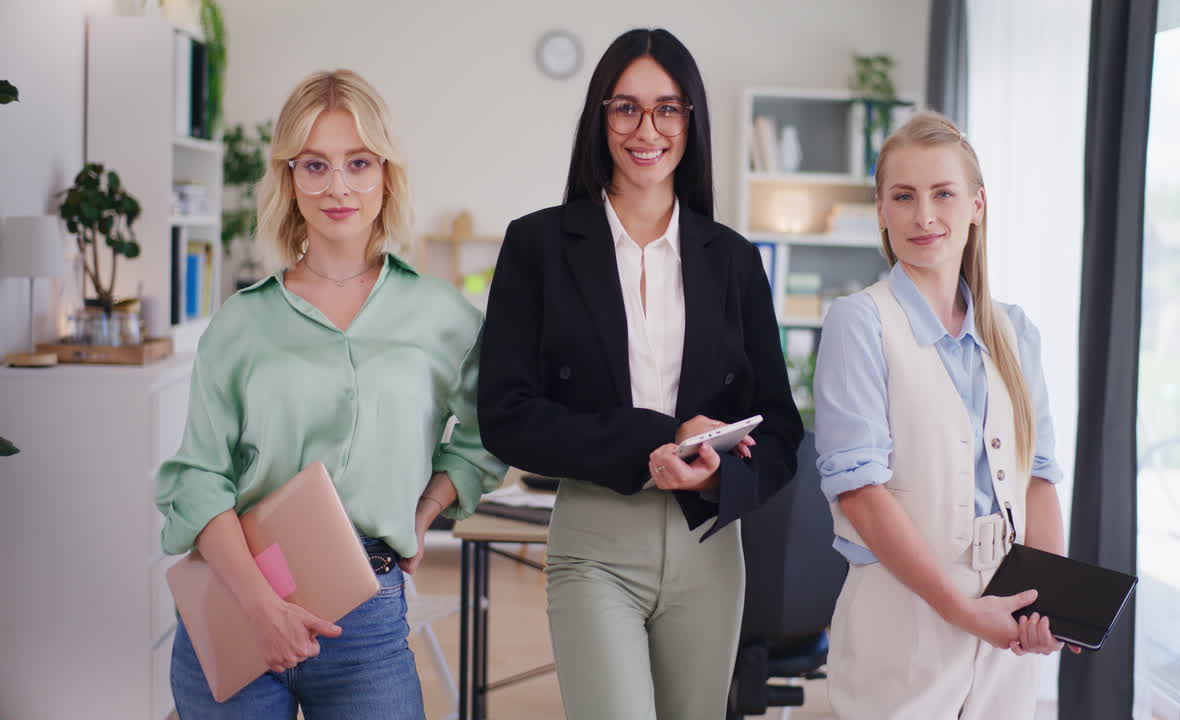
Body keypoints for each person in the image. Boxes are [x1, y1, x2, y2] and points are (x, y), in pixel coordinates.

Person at [154, 69, 505, 718]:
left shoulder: (444, 317)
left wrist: (424, 512)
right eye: (314, 165)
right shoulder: (241, 322)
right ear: (288, 178)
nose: (337, 186)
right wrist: (262, 607)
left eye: (358, 163)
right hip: (237, 600)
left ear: (386, 175)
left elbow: (489, 436)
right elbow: (198, 477)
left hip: (366, 614)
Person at [476, 28, 802, 720]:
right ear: (600, 117)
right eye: (624, 108)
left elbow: (780, 432)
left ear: (692, 121)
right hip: (595, 543)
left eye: (667, 108)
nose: (645, 129)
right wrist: (662, 437)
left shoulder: (735, 262)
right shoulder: (537, 245)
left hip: (709, 550)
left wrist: (715, 472)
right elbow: (506, 414)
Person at [814, 111, 1078, 719]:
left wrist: (1055, 606)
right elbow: (860, 491)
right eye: (903, 197)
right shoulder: (861, 323)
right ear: (881, 210)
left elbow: (1038, 477)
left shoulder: (1016, 333)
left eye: (943, 194)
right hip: (903, 621)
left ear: (978, 204)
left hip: (1008, 617)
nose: (924, 216)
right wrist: (961, 609)